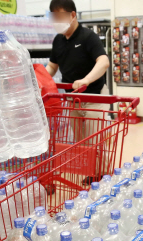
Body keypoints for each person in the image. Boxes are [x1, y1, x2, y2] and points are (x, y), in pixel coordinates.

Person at [46, 0, 111, 146]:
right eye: (54, 18)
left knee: (95, 144)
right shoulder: (58, 40)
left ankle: (102, 169)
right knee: (80, 144)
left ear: (72, 15)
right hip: (72, 99)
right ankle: (87, 169)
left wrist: (86, 80)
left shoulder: (88, 37)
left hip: (94, 97)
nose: (57, 22)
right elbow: (52, 66)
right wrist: (40, 78)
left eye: (60, 18)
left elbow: (103, 61)